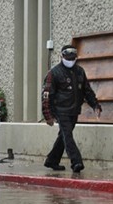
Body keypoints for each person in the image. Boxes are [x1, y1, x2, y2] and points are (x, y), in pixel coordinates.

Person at [41, 44, 102, 173]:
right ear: (61, 57)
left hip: (74, 110)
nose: (70, 61)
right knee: (67, 135)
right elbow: (46, 95)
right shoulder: (54, 73)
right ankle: (76, 162)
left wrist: (95, 105)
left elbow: (87, 91)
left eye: (73, 58)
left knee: (63, 136)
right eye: (68, 58)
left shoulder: (80, 71)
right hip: (60, 110)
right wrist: (48, 115)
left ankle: (52, 160)